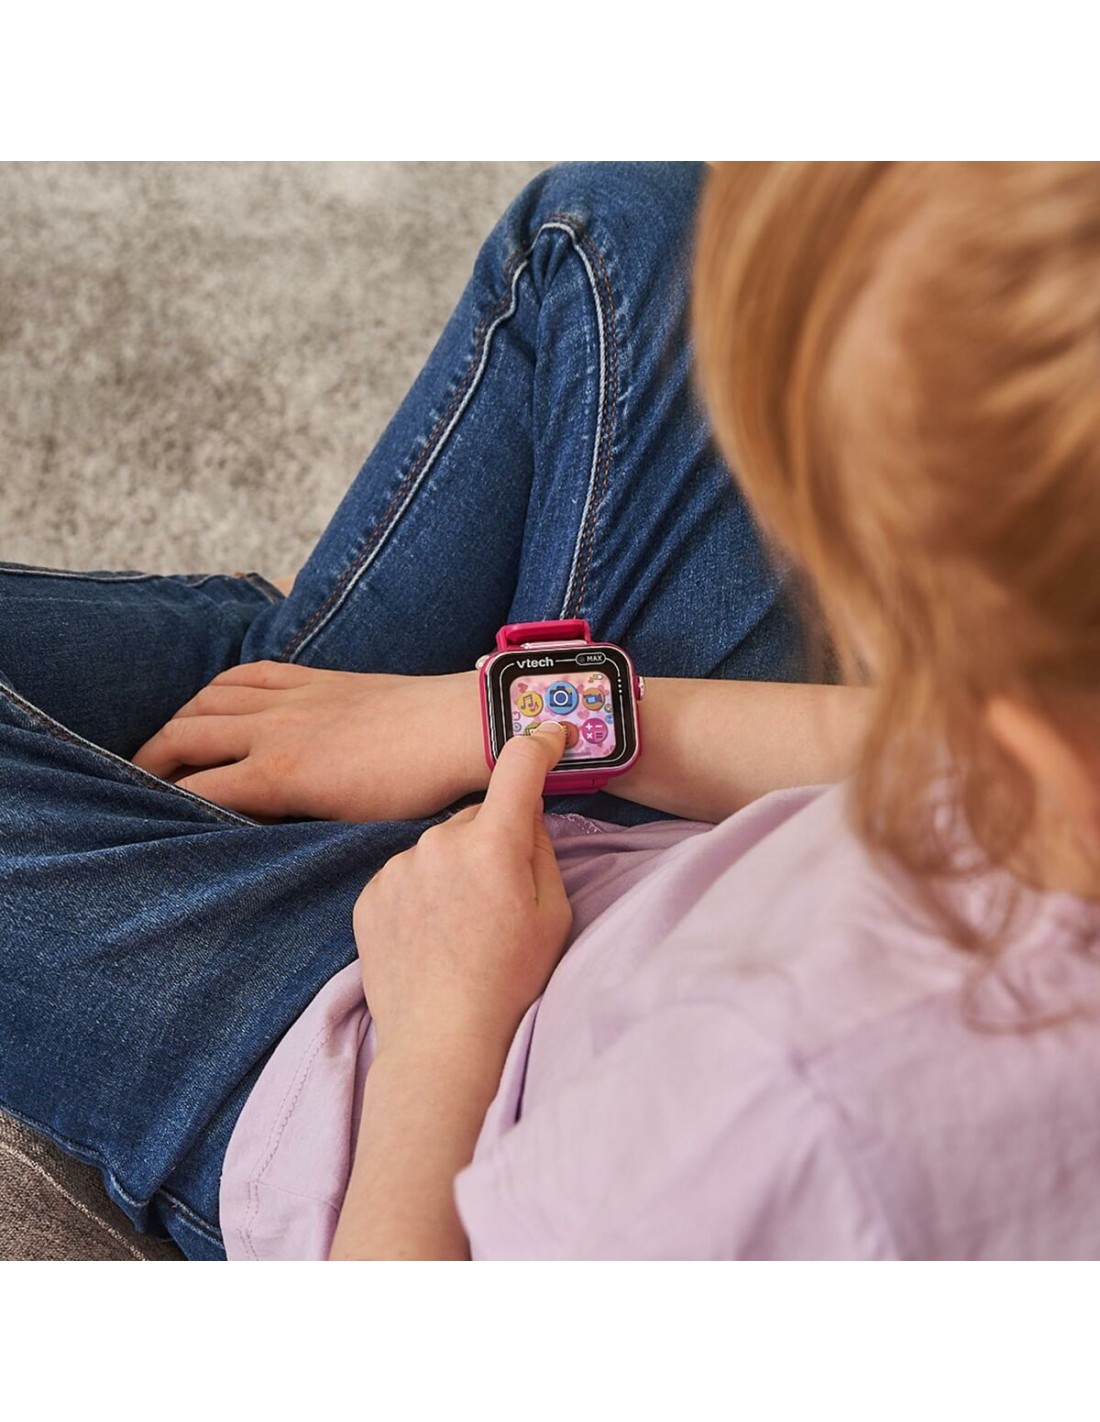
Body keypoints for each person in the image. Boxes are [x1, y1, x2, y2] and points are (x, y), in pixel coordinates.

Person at [1, 161, 1095, 1261]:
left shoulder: (801, 1111)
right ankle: (283, 704)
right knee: (635, 230)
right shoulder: (1036, 756)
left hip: (375, 1053)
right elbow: (933, 749)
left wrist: (443, 1030)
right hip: (605, 867)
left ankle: (261, 715)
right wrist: (481, 721)